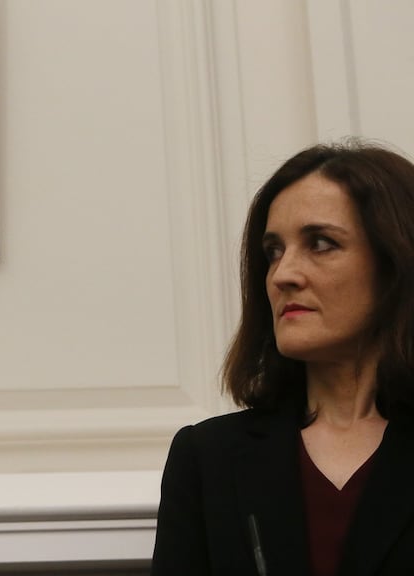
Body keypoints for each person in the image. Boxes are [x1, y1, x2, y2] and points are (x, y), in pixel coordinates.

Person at [150, 139, 414, 576]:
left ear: (396, 261)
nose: (283, 274)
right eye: (274, 251)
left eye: (322, 243)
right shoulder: (208, 457)